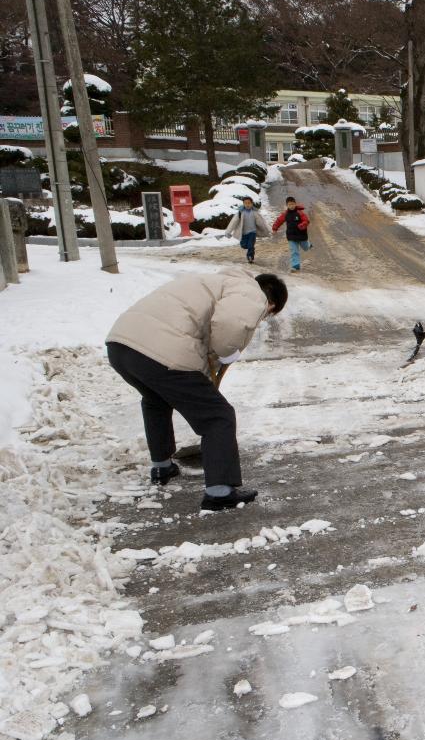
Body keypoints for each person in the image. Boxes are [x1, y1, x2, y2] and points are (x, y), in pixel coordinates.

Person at [106, 269, 288, 511]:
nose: (263, 316)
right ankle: (220, 492)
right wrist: (228, 351)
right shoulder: (252, 293)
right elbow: (230, 325)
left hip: (121, 345)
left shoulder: (216, 282)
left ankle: (162, 466)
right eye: (267, 315)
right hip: (160, 351)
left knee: (155, 399)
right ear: (271, 303)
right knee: (218, 416)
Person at [224, 196, 269, 264]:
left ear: (252, 204)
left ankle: (250, 257)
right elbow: (233, 222)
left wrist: (266, 229)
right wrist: (228, 231)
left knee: (250, 245)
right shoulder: (240, 213)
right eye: (245, 203)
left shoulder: (254, 212)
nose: (247, 204)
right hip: (243, 233)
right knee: (244, 245)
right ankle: (251, 250)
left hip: (252, 232)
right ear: (243, 204)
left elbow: (261, 222)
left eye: (249, 203)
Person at [271, 196, 310, 272]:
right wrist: (275, 228)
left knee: (306, 248)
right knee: (294, 251)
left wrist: (303, 225)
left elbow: (306, 220)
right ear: (287, 205)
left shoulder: (300, 213)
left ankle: (308, 244)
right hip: (291, 236)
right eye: (289, 204)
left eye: (292, 204)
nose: (291, 206)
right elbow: (279, 220)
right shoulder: (285, 214)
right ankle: (295, 265)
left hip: (301, 235)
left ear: (295, 204)